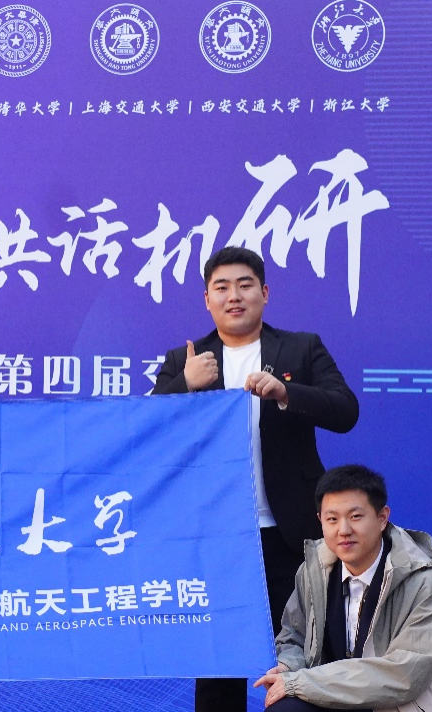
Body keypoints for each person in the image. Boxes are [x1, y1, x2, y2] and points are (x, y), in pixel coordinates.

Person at [151, 246, 359, 711]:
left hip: (290, 533)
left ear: (264, 293)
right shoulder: (186, 359)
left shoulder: (302, 348)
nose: (234, 296)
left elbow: (346, 411)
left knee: (307, 658)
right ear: (207, 299)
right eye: (222, 287)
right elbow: (148, 432)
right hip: (216, 537)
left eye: (245, 285)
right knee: (219, 667)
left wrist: (288, 392)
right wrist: (184, 385)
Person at [254, 465, 432, 712]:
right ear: (320, 520)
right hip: (331, 697)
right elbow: (294, 636)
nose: (343, 530)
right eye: (332, 519)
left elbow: (404, 675)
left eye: (355, 517)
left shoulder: (425, 583)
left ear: (382, 518)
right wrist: (289, 666)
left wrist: (301, 682)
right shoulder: (313, 571)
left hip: (397, 705)